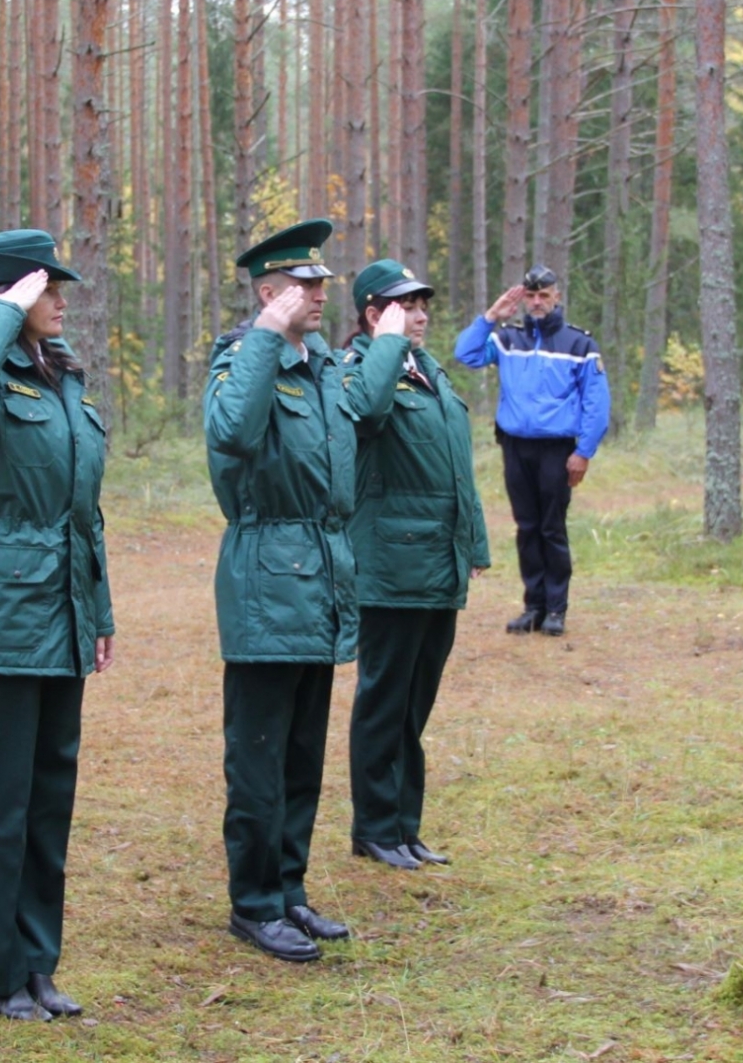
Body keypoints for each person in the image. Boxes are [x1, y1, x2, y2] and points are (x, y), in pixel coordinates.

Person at [203, 220, 405, 962]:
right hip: (266, 579)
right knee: (257, 758)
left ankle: (289, 888)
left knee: (300, 756)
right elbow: (229, 433)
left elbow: (367, 414)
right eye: (304, 285)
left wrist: (387, 340)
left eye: (323, 283)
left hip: (321, 577)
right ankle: (253, 904)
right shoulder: (240, 362)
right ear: (267, 294)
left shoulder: (321, 368)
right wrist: (262, 336)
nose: (321, 294)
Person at [0, 229, 116, 1021]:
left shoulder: (62, 379)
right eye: (48, 289)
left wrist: (100, 610)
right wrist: (3, 312)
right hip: (0, 616)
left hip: (63, 613)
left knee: (47, 802)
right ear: (10, 295)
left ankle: (38, 964)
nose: (63, 302)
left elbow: (85, 514)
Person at [342, 259, 491, 871]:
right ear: (374, 314)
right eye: (408, 305)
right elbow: (365, 415)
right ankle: (374, 826)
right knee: (384, 699)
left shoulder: (427, 370)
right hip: (389, 566)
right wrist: (385, 345)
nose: (423, 314)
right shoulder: (360, 369)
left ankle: (405, 824)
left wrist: (473, 544)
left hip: (437, 561)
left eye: (424, 302)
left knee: (416, 702)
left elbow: (458, 468)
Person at [453, 265, 609, 636]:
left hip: (557, 449)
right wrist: (491, 317)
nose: (537, 303)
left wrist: (584, 452)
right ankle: (533, 606)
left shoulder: (579, 344)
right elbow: (466, 355)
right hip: (516, 446)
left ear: (557, 297)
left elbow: (597, 403)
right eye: (531, 296)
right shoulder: (509, 339)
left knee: (551, 528)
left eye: (545, 295)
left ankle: (556, 609)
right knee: (526, 527)